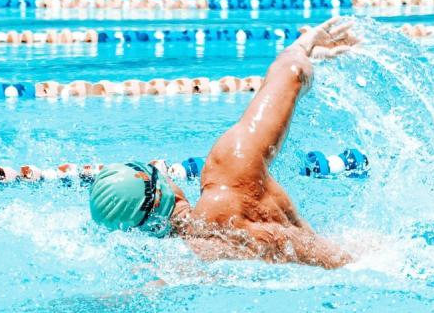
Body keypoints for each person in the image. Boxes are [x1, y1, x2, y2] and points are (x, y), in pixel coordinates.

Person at [88, 17, 359, 269]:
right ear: (158, 193)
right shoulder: (229, 170)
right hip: (360, 263)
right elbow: (290, 73)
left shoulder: (195, 257)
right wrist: (302, 47)